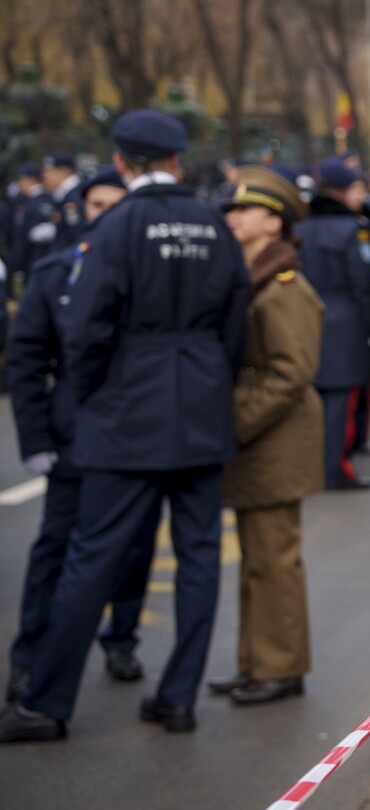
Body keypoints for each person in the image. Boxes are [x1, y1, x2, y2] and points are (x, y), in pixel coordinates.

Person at [0, 109, 249, 742]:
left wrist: (94, 398)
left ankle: (47, 702)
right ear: (178, 161)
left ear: (120, 163)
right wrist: (208, 383)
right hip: (198, 409)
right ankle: (178, 698)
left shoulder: (115, 227)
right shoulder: (213, 225)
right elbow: (235, 324)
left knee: (91, 558)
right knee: (198, 559)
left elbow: (85, 329)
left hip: (125, 415)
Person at [5, 168, 152, 705]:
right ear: (81, 209)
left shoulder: (145, 274)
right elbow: (26, 364)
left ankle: (121, 638)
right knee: (55, 550)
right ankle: (29, 657)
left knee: (134, 545)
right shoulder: (52, 274)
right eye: (96, 205)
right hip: (72, 437)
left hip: (133, 433)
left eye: (116, 205)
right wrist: (35, 440)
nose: (104, 215)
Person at [206, 165, 323, 705]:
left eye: (246, 210)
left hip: (273, 441)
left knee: (274, 558)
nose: (234, 217)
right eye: (231, 209)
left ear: (274, 225)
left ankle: (280, 666)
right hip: (260, 441)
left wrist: (233, 422)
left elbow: (289, 372)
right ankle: (256, 662)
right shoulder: (254, 273)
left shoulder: (283, 286)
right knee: (256, 557)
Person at [296, 156, 370, 490]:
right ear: (343, 193)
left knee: (308, 394)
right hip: (343, 320)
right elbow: (362, 280)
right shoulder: (353, 230)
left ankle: (307, 465)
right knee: (340, 399)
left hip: (302, 315)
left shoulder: (298, 227)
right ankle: (335, 468)